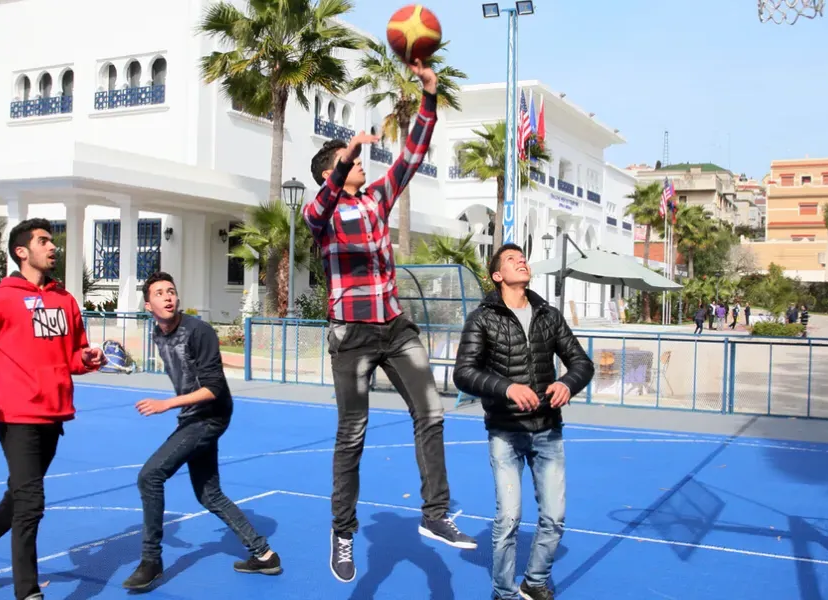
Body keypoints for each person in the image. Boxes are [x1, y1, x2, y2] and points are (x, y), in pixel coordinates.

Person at [302, 58, 475, 583]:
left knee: (432, 411)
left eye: (355, 160)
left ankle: (435, 514)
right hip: (352, 335)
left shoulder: (378, 198)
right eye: (350, 162)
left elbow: (413, 154)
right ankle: (343, 532)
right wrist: (344, 153)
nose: (360, 165)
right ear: (332, 170)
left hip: (395, 327)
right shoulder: (322, 214)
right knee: (352, 433)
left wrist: (429, 95)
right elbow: (323, 201)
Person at [0, 218, 105, 600]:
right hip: (17, 417)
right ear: (21, 251)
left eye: (52, 241)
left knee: (18, 497)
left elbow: (73, 358)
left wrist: (89, 357)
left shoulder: (65, 301)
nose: (53, 247)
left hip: (55, 414)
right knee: (31, 504)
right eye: (44, 241)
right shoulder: (0, 300)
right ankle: (29, 594)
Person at [121, 272, 281, 590]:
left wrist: (167, 404)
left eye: (172, 291)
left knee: (149, 476)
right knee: (209, 494)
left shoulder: (200, 332)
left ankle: (151, 561)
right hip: (193, 416)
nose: (167, 297)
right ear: (148, 302)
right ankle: (263, 554)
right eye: (159, 293)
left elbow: (214, 387)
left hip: (209, 415)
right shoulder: (158, 334)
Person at [453, 243, 594, 600]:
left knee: (555, 516)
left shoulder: (548, 314)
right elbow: (464, 373)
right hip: (505, 432)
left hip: (548, 430)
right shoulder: (483, 318)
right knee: (509, 519)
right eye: (512, 260)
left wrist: (567, 383)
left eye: (523, 258)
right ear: (497, 275)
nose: (522, 262)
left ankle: (534, 581)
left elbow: (582, 363)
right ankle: (503, 592)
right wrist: (507, 388)